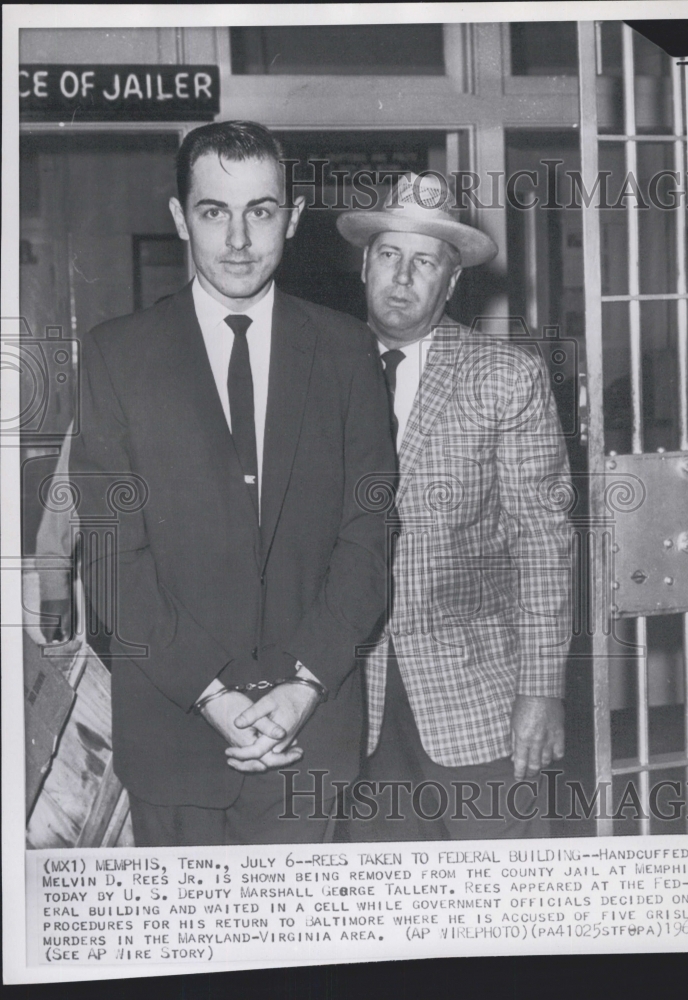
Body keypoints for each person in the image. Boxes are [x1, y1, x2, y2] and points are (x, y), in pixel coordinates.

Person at [69, 121, 395, 847]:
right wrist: (214, 695)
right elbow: (115, 563)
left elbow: (367, 536)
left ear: (294, 217)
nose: (240, 239)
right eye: (215, 211)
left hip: (310, 736)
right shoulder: (117, 357)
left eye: (262, 210)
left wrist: (303, 686)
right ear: (181, 217)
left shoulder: (347, 353)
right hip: (175, 737)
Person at [337, 172, 571, 840]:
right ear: (364, 265)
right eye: (389, 255)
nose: (403, 277)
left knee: (508, 904)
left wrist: (542, 689)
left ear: (452, 281)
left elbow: (543, 540)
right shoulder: (318, 370)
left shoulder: (505, 377)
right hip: (352, 703)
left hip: (480, 697)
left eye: (425, 261)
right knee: (384, 909)